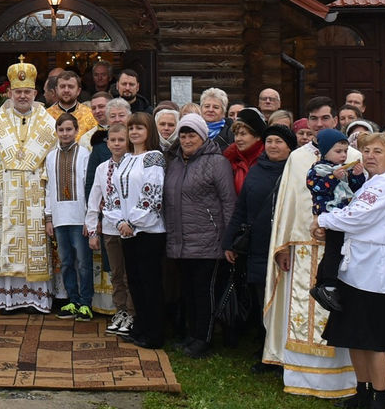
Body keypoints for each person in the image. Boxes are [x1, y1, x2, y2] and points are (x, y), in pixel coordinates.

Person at [262, 96, 358, 399]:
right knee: (304, 313)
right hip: (302, 249)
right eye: (314, 119)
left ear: (336, 120)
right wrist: (283, 247)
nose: (320, 123)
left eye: (326, 118)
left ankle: (345, 379)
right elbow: (287, 206)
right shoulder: (298, 157)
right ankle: (303, 378)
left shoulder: (352, 155)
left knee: (342, 311)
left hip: (344, 248)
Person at [314, 132, 385, 409]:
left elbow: (358, 217)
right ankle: (362, 391)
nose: (370, 156)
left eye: (378, 152)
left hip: (374, 269)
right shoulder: (368, 182)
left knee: (375, 339)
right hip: (353, 266)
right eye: (366, 151)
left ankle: (380, 396)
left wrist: (323, 219)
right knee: (354, 335)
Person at [0, 58, 58, 314]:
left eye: (27, 92)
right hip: (7, 192)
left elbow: (53, 161)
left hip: (36, 192)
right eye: (17, 92)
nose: (22, 96)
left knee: (37, 244)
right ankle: (11, 300)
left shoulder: (47, 121)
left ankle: (36, 299)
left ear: (35, 93)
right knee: (9, 244)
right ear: (9, 93)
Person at [223, 123, 296, 373]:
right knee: (260, 299)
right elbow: (241, 207)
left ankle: (285, 353)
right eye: (270, 141)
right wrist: (230, 241)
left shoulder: (295, 172)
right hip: (256, 246)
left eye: (279, 142)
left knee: (281, 301)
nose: (274, 146)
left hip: (284, 249)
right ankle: (267, 350)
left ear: (290, 147)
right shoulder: (256, 170)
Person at [164, 112, 235, 358]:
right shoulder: (174, 162)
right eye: (183, 134)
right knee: (188, 291)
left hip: (209, 239)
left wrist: (229, 239)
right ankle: (191, 335)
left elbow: (228, 202)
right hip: (180, 240)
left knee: (204, 292)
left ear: (203, 136)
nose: (186, 139)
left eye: (191, 134)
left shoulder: (217, 162)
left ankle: (203, 338)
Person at [108, 111, 166, 348]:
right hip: (127, 230)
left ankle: (155, 334)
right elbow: (113, 194)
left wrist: (133, 222)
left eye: (139, 128)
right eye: (131, 128)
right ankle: (140, 327)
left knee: (150, 283)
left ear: (149, 131)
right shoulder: (126, 159)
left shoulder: (154, 158)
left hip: (149, 231)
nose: (134, 132)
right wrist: (119, 221)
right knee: (135, 282)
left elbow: (152, 194)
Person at [307, 129, 368, 312]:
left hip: (342, 216)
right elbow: (318, 188)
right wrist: (334, 178)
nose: (343, 155)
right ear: (325, 152)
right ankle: (329, 286)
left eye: (345, 151)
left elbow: (356, 190)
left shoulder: (343, 170)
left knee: (335, 250)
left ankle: (321, 284)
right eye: (338, 151)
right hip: (329, 215)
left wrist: (356, 175)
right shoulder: (318, 170)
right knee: (334, 250)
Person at [86, 121, 135, 336]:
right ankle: (121, 310)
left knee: (129, 273)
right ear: (107, 143)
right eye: (112, 140)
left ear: (128, 141)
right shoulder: (102, 168)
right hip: (109, 229)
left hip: (131, 229)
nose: (116, 144)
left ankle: (132, 313)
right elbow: (94, 198)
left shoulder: (134, 164)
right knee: (115, 273)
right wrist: (92, 229)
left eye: (121, 140)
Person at [45, 114, 93, 320]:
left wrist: (89, 218)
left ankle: (86, 303)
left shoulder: (84, 154)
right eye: (61, 130)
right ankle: (72, 301)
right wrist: (48, 218)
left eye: (69, 129)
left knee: (83, 262)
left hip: (79, 217)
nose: (65, 133)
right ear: (56, 132)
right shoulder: (50, 156)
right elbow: (48, 188)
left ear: (76, 130)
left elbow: (88, 187)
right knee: (65, 262)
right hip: (59, 218)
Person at [224, 107, 267, 194]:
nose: (238, 139)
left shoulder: (268, 159)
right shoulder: (229, 160)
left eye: (243, 134)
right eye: (236, 134)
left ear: (257, 136)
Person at [46, 70, 98, 136]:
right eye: (62, 86)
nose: (66, 90)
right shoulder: (47, 116)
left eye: (70, 87)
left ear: (78, 91)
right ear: (56, 90)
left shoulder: (91, 115)